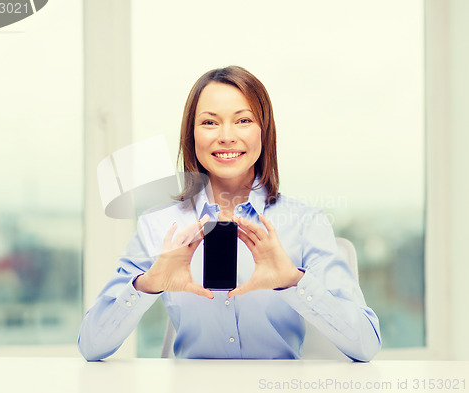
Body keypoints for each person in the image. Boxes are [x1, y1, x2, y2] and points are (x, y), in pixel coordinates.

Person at [77, 65, 381, 361]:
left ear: (264, 130)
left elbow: (366, 344)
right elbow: (91, 345)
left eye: (243, 120)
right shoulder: (159, 225)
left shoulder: (304, 223)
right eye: (209, 122)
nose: (226, 136)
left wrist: (293, 281)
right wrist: (145, 286)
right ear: (191, 134)